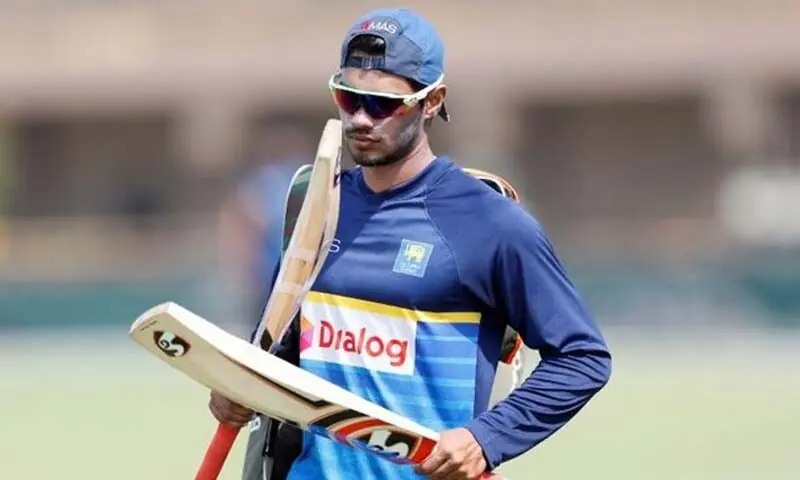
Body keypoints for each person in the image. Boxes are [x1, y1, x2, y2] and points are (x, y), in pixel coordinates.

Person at [209, 7, 612, 480]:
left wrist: (486, 439)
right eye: (347, 96)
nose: (360, 118)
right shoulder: (315, 207)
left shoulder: (492, 223)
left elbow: (583, 358)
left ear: (433, 100)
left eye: (381, 104)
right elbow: (285, 352)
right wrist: (242, 389)